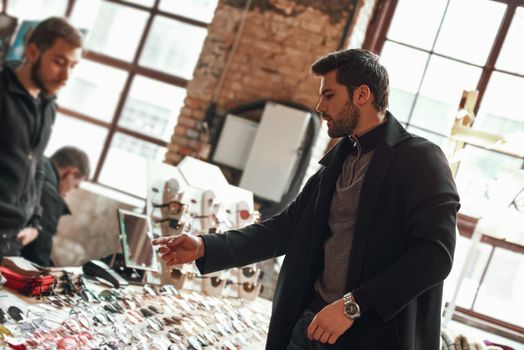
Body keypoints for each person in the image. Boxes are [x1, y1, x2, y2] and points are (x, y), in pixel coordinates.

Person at [153, 49, 460, 350]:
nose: (319, 106)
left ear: (362, 95)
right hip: (309, 323)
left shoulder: (421, 159)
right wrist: (206, 246)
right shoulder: (337, 162)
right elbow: (284, 229)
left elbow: (435, 256)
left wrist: (352, 306)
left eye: (329, 95)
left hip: (370, 334)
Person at [0, 17, 83, 260]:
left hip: (13, 243)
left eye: (73, 66)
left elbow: (35, 167)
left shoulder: (47, 107)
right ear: (33, 52)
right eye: (59, 62)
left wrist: (35, 221)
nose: (66, 76)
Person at [21, 147, 90, 267]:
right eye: (75, 185)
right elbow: (37, 257)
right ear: (71, 172)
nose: (69, 191)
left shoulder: (31, 161)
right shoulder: (50, 196)